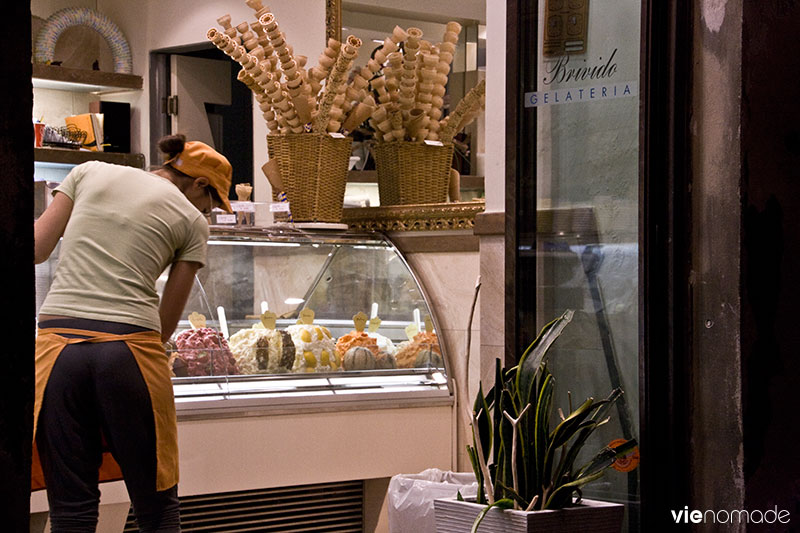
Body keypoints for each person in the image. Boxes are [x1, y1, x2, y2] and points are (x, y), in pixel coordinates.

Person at [33, 134, 233, 532]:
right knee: (156, 510)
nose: (207, 213)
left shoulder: (89, 171)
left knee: (71, 510)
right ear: (199, 185)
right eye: (212, 204)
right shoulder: (192, 221)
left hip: (56, 348)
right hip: (128, 350)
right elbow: (165, 324)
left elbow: (36, 248)